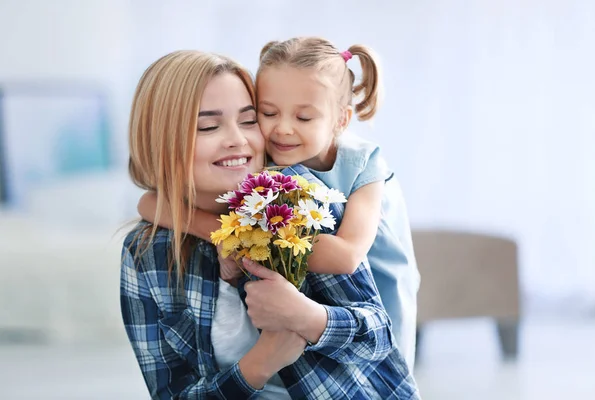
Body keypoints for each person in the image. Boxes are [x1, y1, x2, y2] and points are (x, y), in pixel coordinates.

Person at [122, 49, 420, 399]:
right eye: (208, 126)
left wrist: (309, 318)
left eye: (249, 121)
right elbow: (172, 393)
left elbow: (379, 343)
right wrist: (261, 363)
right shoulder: (148, 253)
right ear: (161, 141)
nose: (238, 139)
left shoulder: (296, 202)